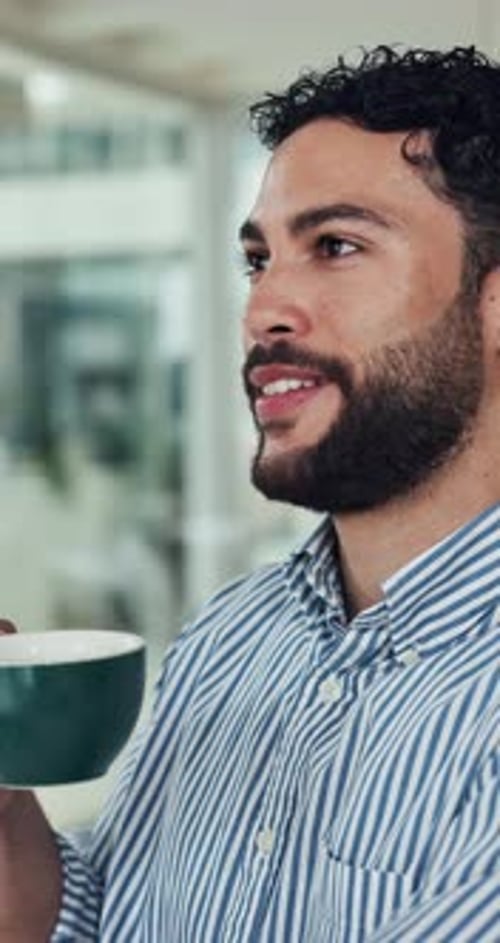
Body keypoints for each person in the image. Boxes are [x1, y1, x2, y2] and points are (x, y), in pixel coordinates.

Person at [1, 44, 499, 943]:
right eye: (259, 258)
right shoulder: (228, 635)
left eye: (336, 246)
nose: (264, 306)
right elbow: (96, 914)